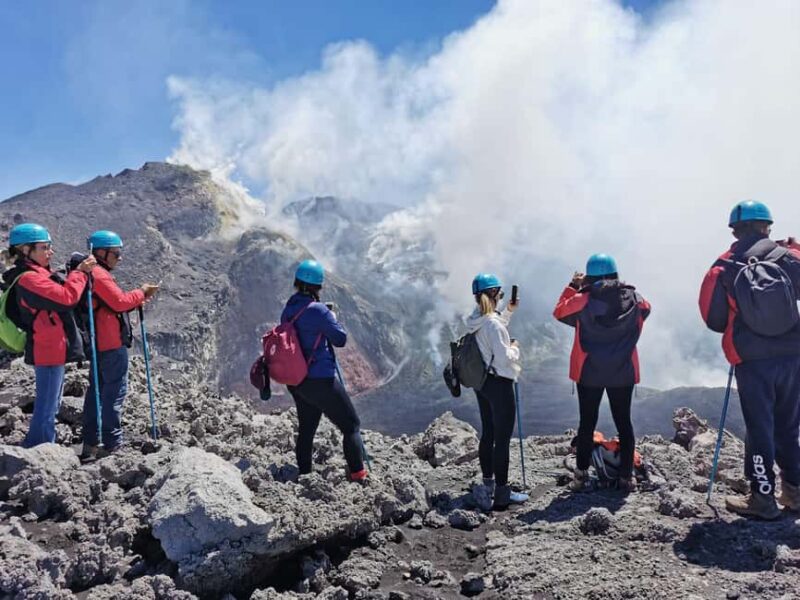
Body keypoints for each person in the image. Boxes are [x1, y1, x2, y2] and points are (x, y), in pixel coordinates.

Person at [699, 200, 800, 519]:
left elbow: (712, 319)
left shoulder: (723, 266)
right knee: (788, 424)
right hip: (792, 353)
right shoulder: (788, 257)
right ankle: (795, 492)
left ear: (734, 229)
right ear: (766, 226)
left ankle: (763, 498)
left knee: (759, 427)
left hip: (751, 358)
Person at [553, 254, 651, 493]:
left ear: (590, 277)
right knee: (624, 422)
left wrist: (573, 286)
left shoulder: (582, 300)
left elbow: (559, 312)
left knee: (587, 423)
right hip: (622, 372)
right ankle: (626, 478)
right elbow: (646, 310)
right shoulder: (636, 300)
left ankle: (581, 476)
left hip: (589, 373)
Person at [2, 223, 95, 447]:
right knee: (47, 404)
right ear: (26, 250)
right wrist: (80, 273)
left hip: (52, 346)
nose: (50, 252)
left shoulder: (38, 273)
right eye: (44, 247)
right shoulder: (28, 278)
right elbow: (66, 298)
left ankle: (42, 446)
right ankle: (39, 449)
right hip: (48, 348)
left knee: (51, 402)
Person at [281, 259, 367, 481]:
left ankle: (305, 475)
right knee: (351, 426)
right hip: (321, 380)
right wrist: (332, 318)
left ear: (297, 282)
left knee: (307, 428)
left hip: (297, 381)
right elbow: (340, 339)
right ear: (318, 286)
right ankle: (359, 475)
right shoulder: (320, 311)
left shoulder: (289, 308)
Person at [81, 230, 159, 460]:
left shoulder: (89, 273)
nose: (119, 258)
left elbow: (112, 304)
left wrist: (137, 299)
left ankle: (90, 443)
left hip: (98, 344)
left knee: (96, 393)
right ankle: (112, 444)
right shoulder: (99, 275)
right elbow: (119, 302)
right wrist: (141, 293)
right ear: (102, 253)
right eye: (116, 253)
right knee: (113, 394)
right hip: (110, 345)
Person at [466, 273, 528, 509]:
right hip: (500, 383)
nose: (502, 296)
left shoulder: (476, 318)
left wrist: (509, 312)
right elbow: (503, 358)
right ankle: (503, 494)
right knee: (502, 439)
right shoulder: (492, 323)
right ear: (493, 294)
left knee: (488, 432)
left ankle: (488, 483)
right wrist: (514, 348)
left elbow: (493, 326)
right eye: (500, 293)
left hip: (483, 383)